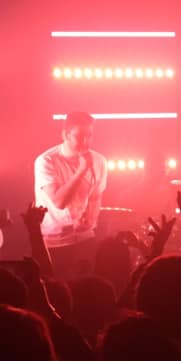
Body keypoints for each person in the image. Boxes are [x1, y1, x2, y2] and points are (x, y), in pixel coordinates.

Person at [35, 112, 108, 278]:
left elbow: (96, 196)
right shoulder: (46, 161)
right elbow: (59, 202)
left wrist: (91, 218)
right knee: (57, 288)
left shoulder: (100, 161)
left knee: (85, 289)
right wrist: (81, 170)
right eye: (80, 137)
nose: (86, 142)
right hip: (54, 241)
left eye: (89, 136)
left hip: (84, 238)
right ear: (65, 135)